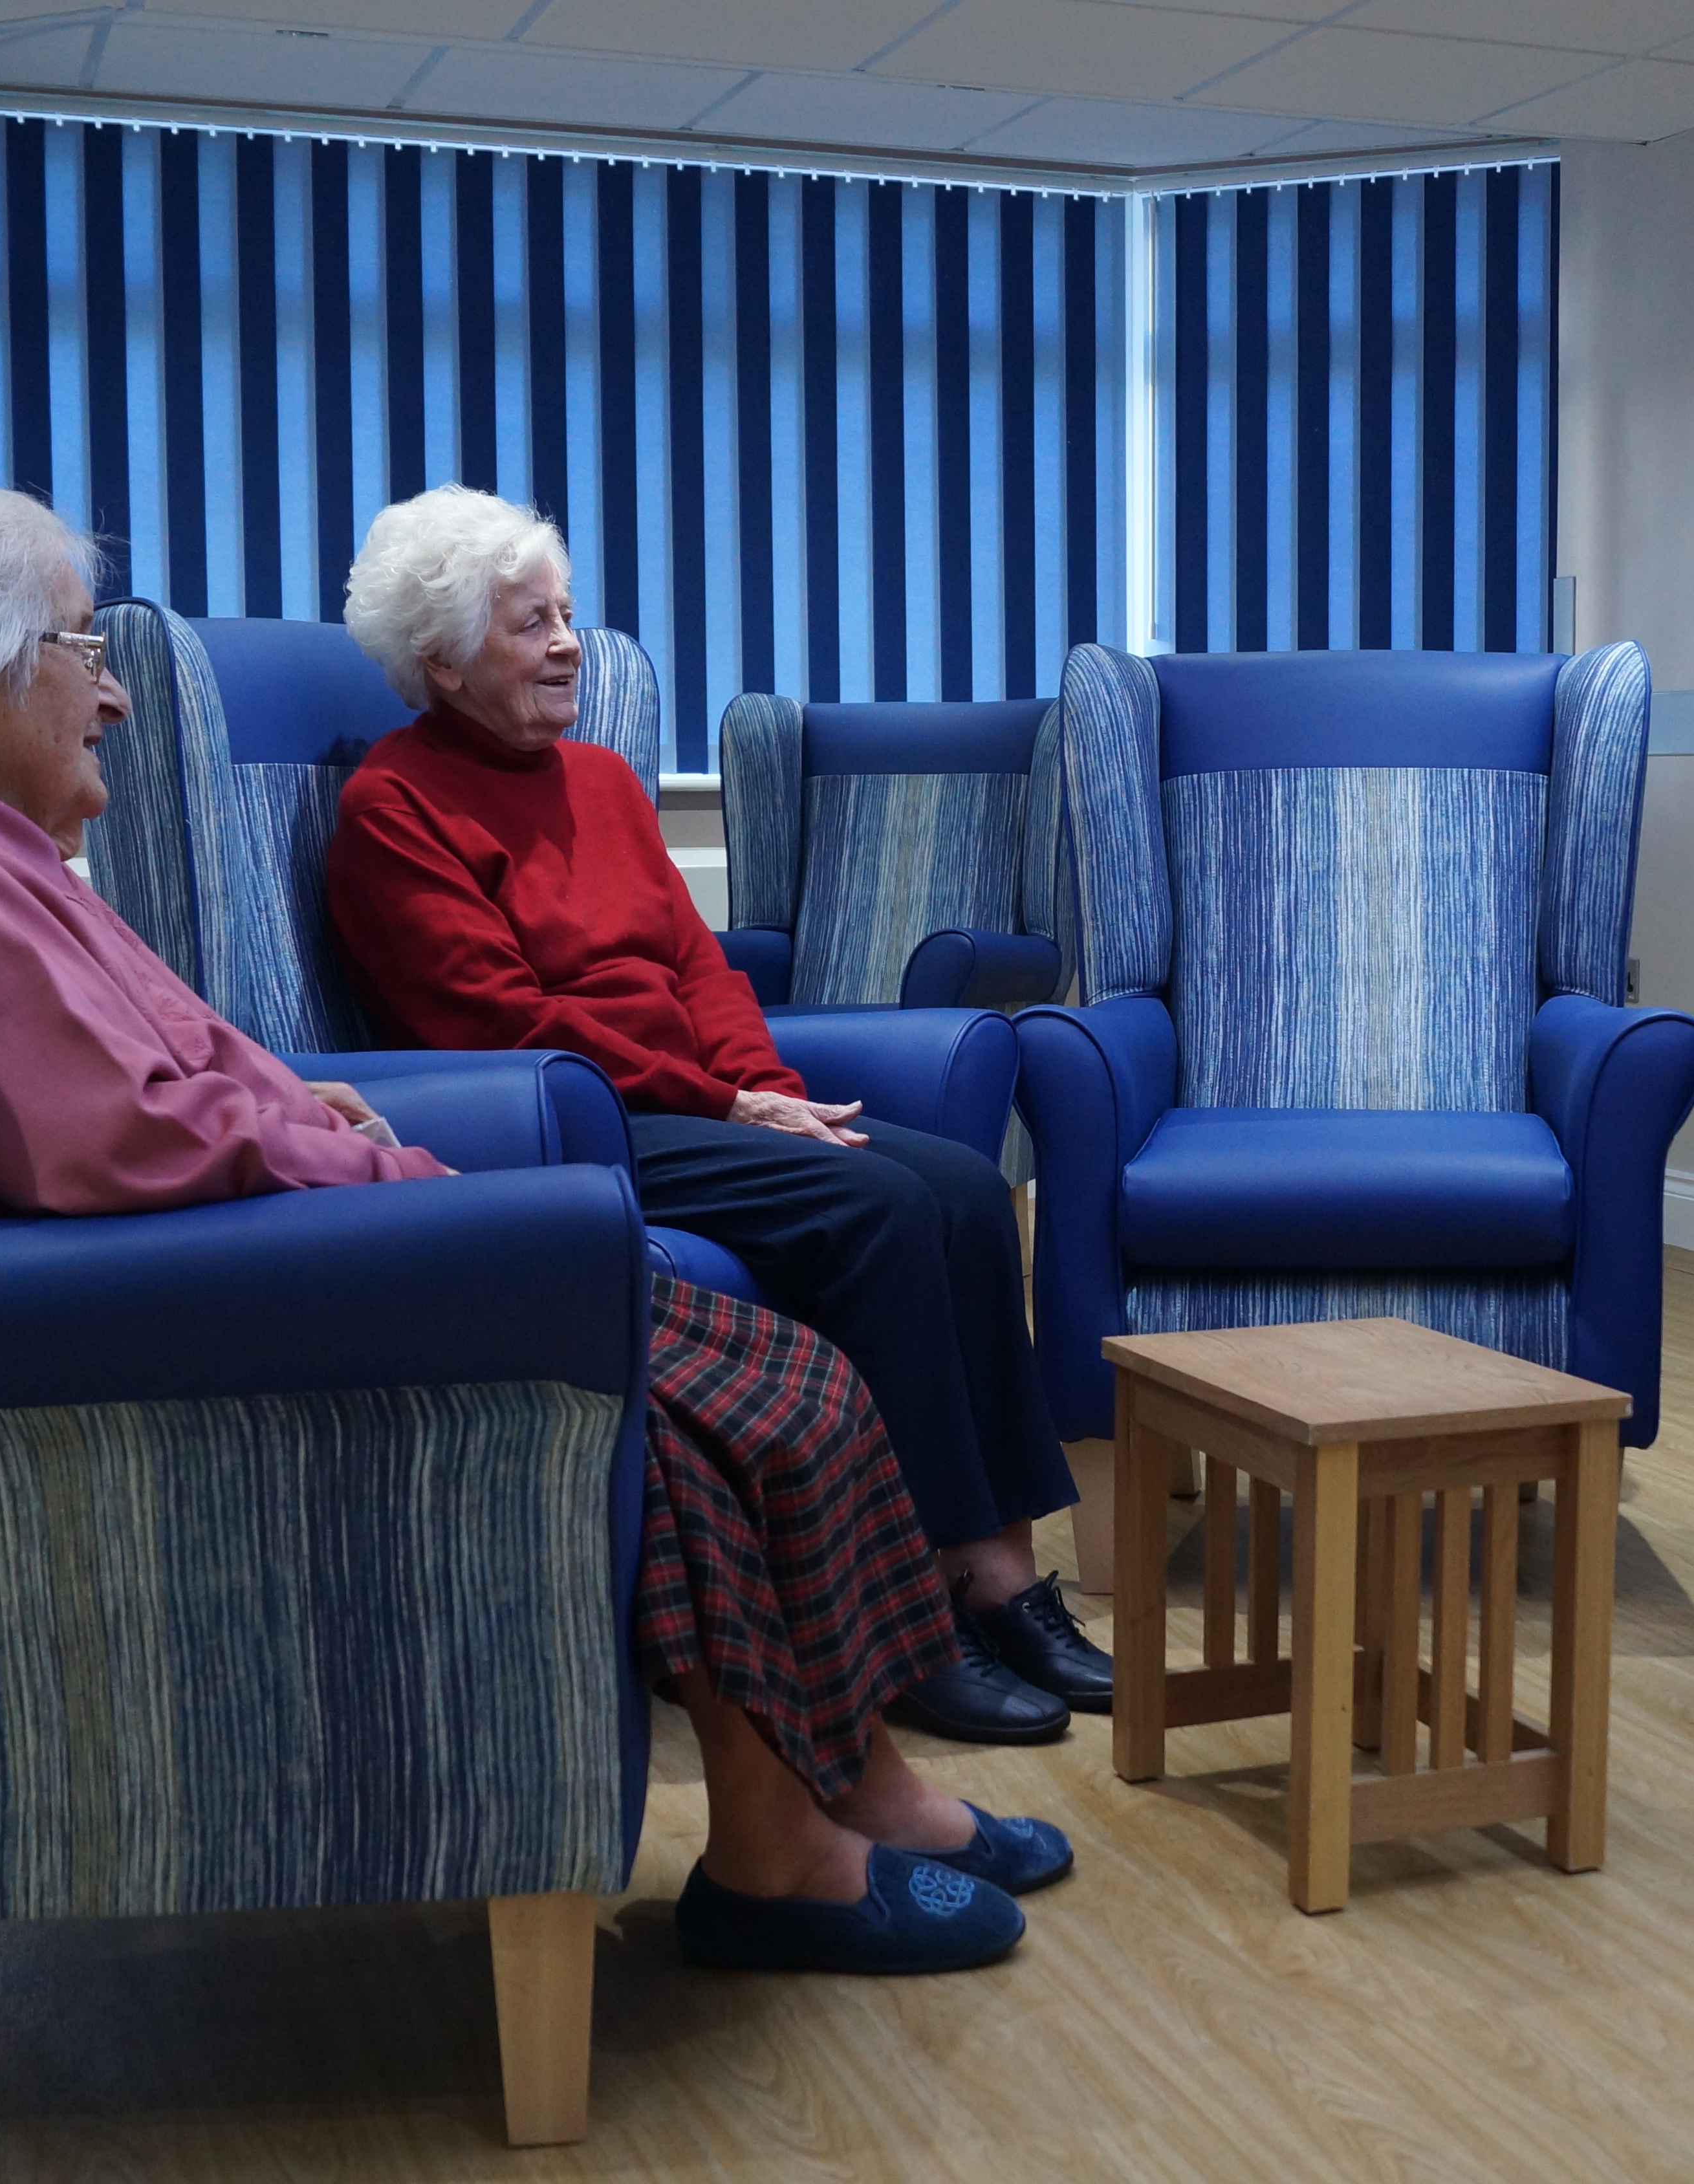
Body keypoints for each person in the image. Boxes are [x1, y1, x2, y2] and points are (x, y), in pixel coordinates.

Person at [0, 481, 1065, 1976]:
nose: (114, 689)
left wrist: (349, 1110)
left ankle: (842, 1793)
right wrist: (397, 1177)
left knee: (790, 1371)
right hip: (183, 1294)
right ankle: (794, 1841)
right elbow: (123, 1141)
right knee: (761, 1383)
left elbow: (187, 1071)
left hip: (243, 1245)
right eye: (78, 647)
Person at [319, 485, 1105, 1748]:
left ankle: (1002, 1577)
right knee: (880, 1211)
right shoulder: (393, 812)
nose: (571, 642)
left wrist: (770, 1093)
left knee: (957, 1186)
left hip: (696, 1099)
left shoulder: (605, 783)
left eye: (567, 613)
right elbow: (500, 1019)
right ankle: (909, 1625)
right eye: (532, 624)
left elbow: (700, 970)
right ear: (444, 661)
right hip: (567, 1123)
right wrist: (720, 1097)